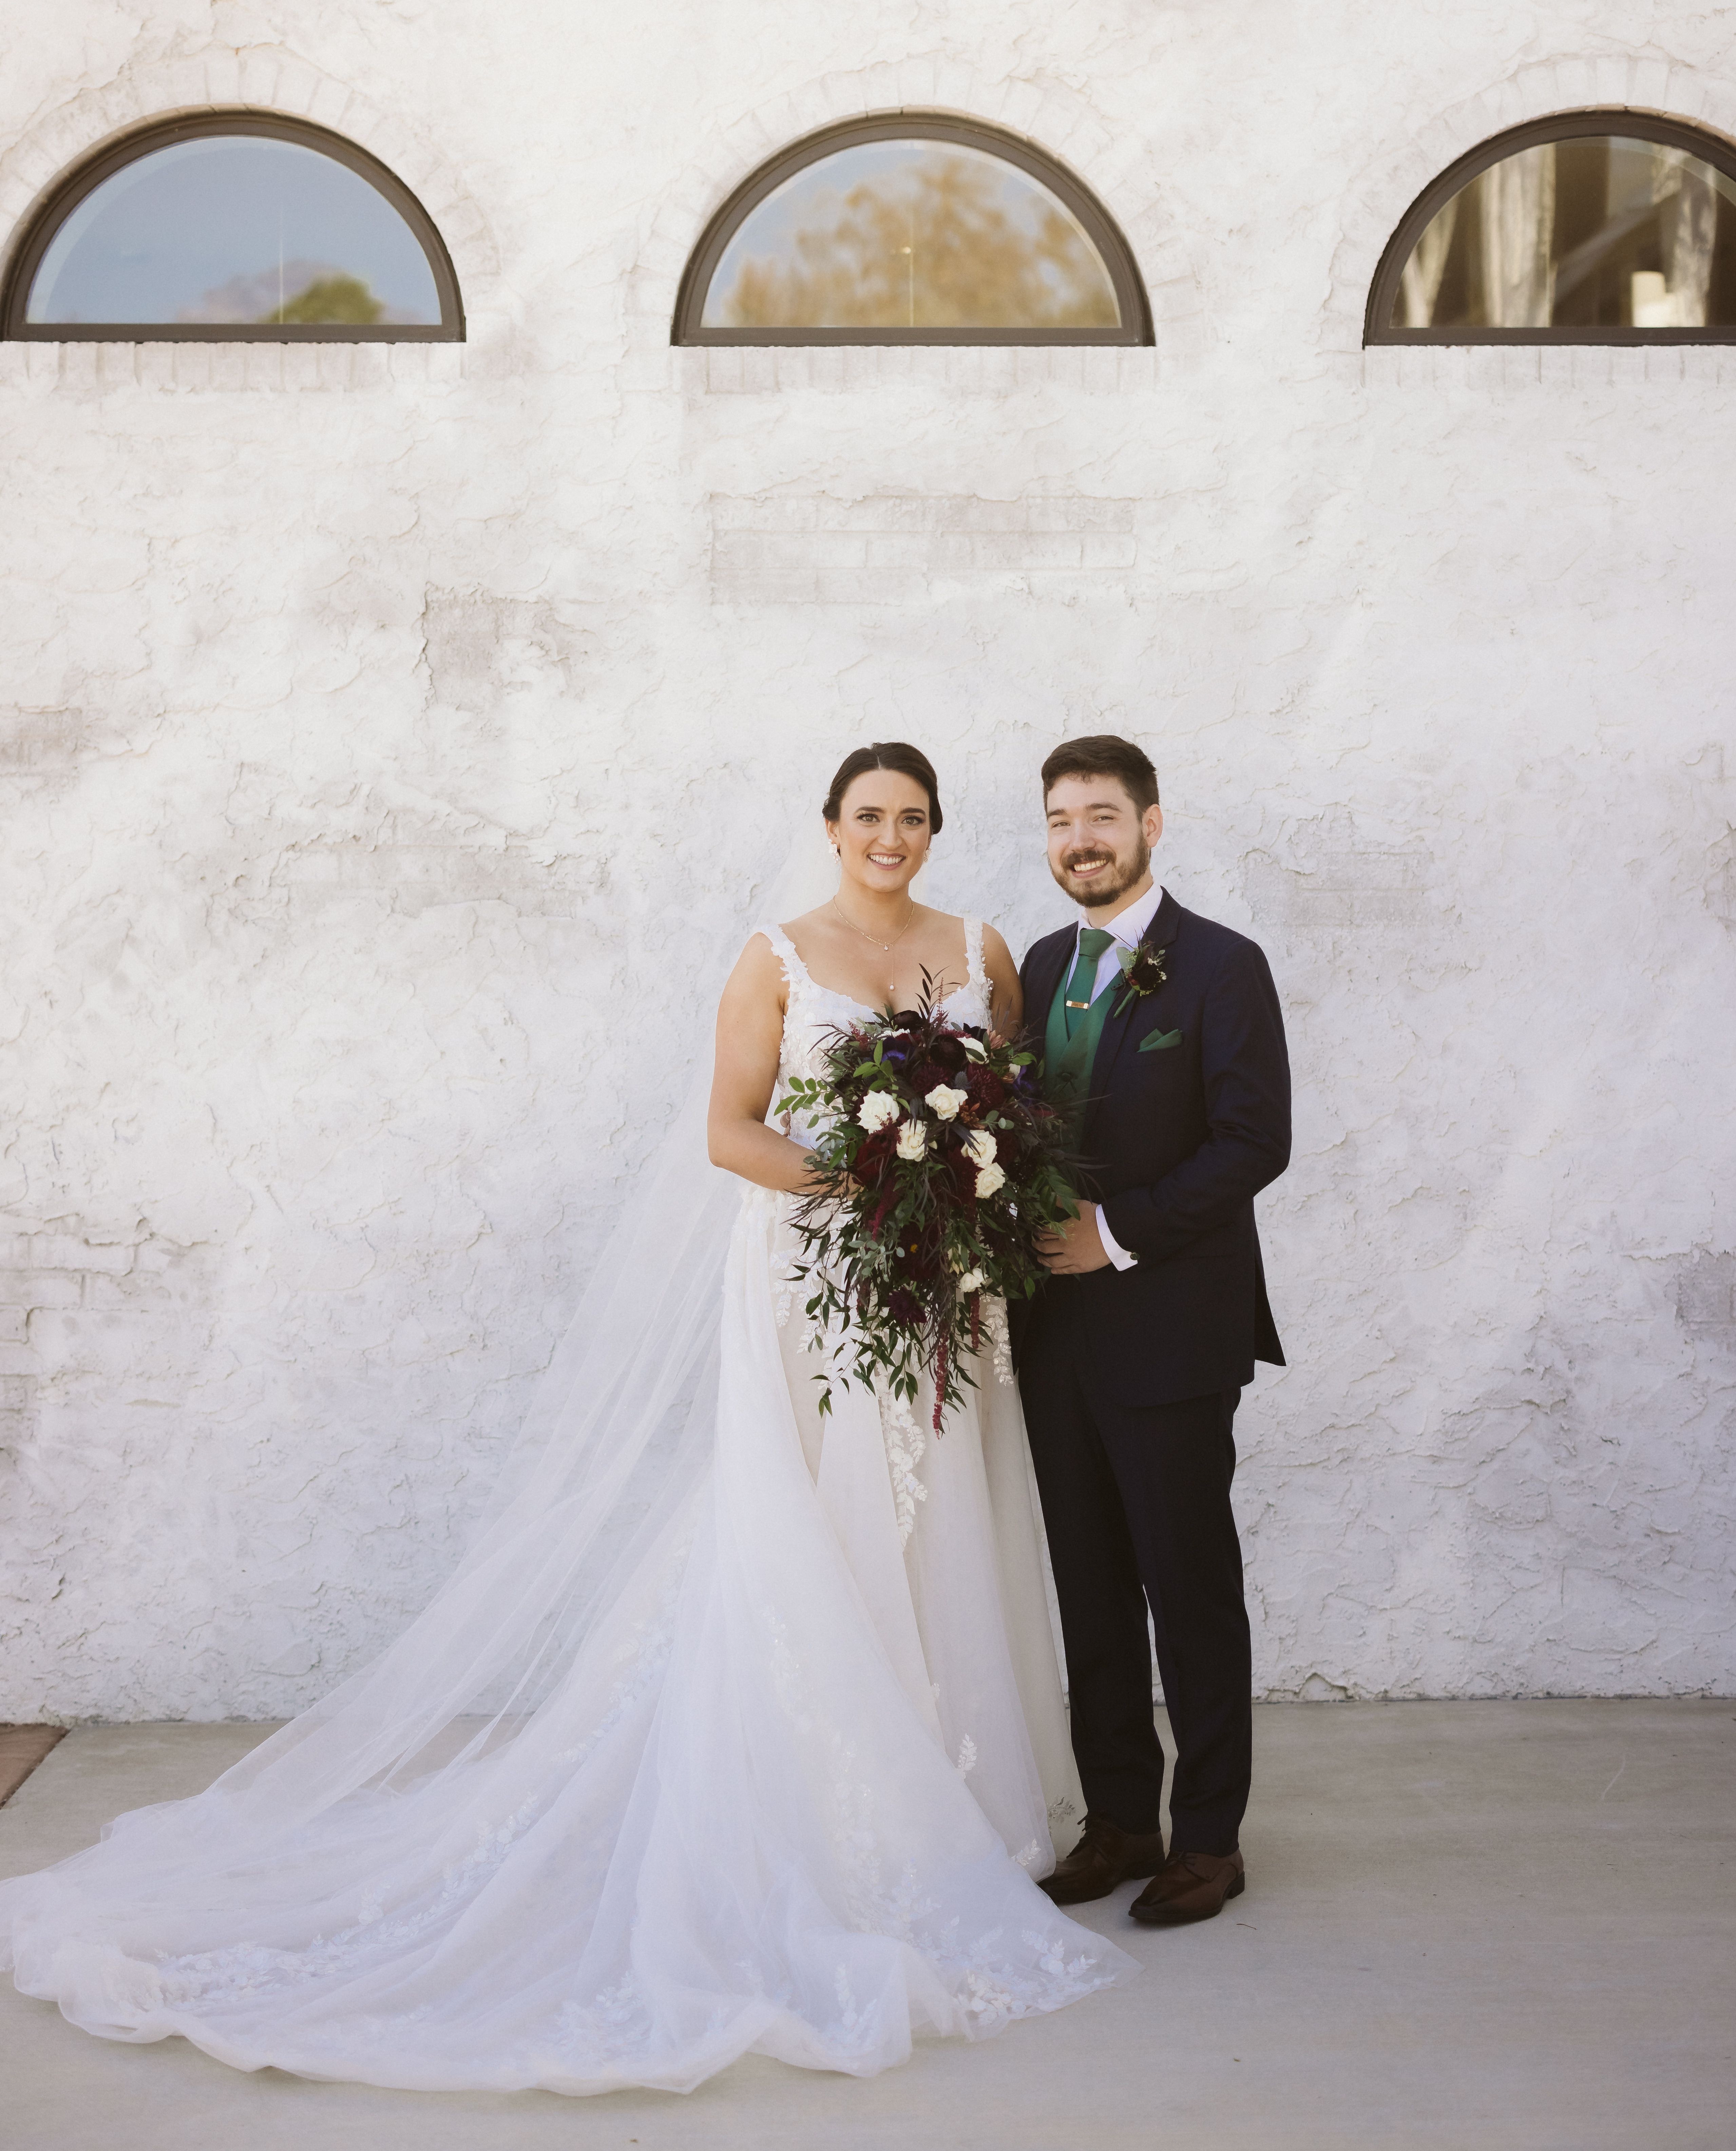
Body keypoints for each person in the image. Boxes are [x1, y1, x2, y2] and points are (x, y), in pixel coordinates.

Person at [1, 743, 1129, 2096]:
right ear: (830, 827)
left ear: (936, 831)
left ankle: (952, 1794)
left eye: (911, 819)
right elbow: (730, 1131)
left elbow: (999, 1112)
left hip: (932, 1291)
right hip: (808, 1286)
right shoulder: (776, 954)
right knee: (810, 1529)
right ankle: (825, 1808)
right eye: (866, 817)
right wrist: (874, 1181)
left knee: (941, 1513)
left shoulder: (979, 946)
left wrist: (949, 1186)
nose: (888, 837)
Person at [1017, 734, 1291, 1927]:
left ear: (1152, 825)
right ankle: (1120, 1819)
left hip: (1173, 1331)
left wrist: (1115, 1232)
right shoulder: (1035, 965)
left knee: (1188, 1585)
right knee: (1086, 1585)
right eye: (1062, 820)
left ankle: (1211, 1839)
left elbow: (1253, 1142)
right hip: (1052, 1336)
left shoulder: (1223, 967)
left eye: (1103, 818)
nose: (1081, 839)